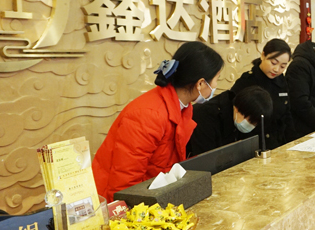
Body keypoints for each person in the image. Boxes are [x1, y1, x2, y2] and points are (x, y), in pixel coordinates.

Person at [92, 42, 223, 202]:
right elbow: (124, 184)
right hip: (115, 203)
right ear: (201, 83)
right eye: (216, 79)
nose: (216, 86)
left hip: (150, 193)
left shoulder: (183, 106)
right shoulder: (149, 115)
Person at [231, 38, 296, 149]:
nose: (276, 69)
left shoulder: (281, 81)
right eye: (273, 63)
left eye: (282, 66)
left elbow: (286, 114)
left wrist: (293, 142)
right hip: (252, 144)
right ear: (263, 55)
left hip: (277, 143)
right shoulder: (247, 81)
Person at [188, 86, 273, 156]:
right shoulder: (206, 115)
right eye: (249, 121)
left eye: (254, 124)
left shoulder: (239, 115)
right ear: (237, 108)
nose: (249, 125)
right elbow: (205, 158)